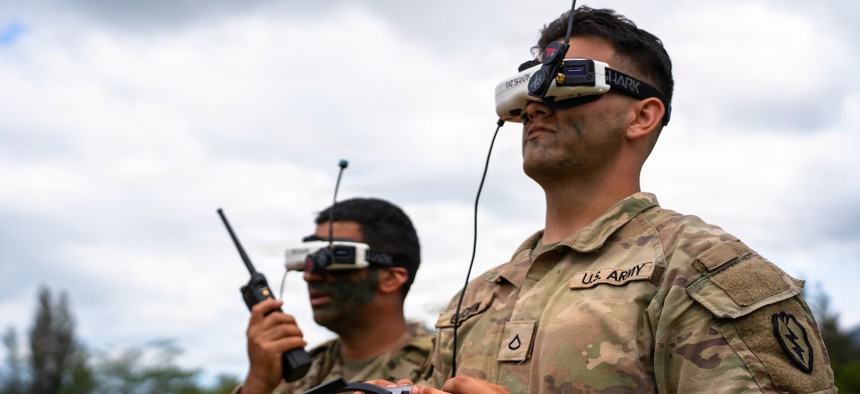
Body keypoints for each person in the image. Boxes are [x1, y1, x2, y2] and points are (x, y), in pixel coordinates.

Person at [401, 6, 836, 393]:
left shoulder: (698, 271)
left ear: (641, 116)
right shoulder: (475, 300)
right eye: (528, 88)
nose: (535, 103)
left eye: (565, 81)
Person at [237, 198, 433, 394]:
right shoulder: (299, 376)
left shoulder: (443, 365)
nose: (310, 276)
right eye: (309, 260)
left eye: (334, 259)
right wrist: (258, 383)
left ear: (391, 278)